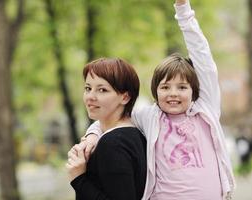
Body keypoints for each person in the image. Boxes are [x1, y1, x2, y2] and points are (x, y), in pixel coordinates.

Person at [83, 0, 236, 199]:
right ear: (156, 91)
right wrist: (92, 136)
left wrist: (183, 10)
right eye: (165, 87)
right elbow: (111, 119)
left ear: (194, 91)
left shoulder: (205, 110)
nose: (173, 93)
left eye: (181, 87)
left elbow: (203, 58)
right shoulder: (148, 117)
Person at [66, 58, 147, 200]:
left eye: (102, 90)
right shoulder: (133, 134)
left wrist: (79, 179)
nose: (90, 97)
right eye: (88, 88)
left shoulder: (113, 143)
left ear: (125, 97)